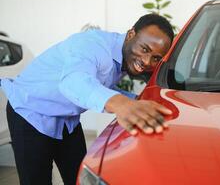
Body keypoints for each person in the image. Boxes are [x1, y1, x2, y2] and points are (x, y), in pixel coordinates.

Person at [1, 14, 174, 185]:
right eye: (144, 49)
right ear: (131, 34)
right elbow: (73, 81)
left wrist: (136, 100)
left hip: (67, 120)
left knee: (80, 178)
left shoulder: (123, 56)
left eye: (156, 58)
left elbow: (98, 84)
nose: (146, 61)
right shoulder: (92, 46)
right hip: (30, 111)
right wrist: (122, 104)